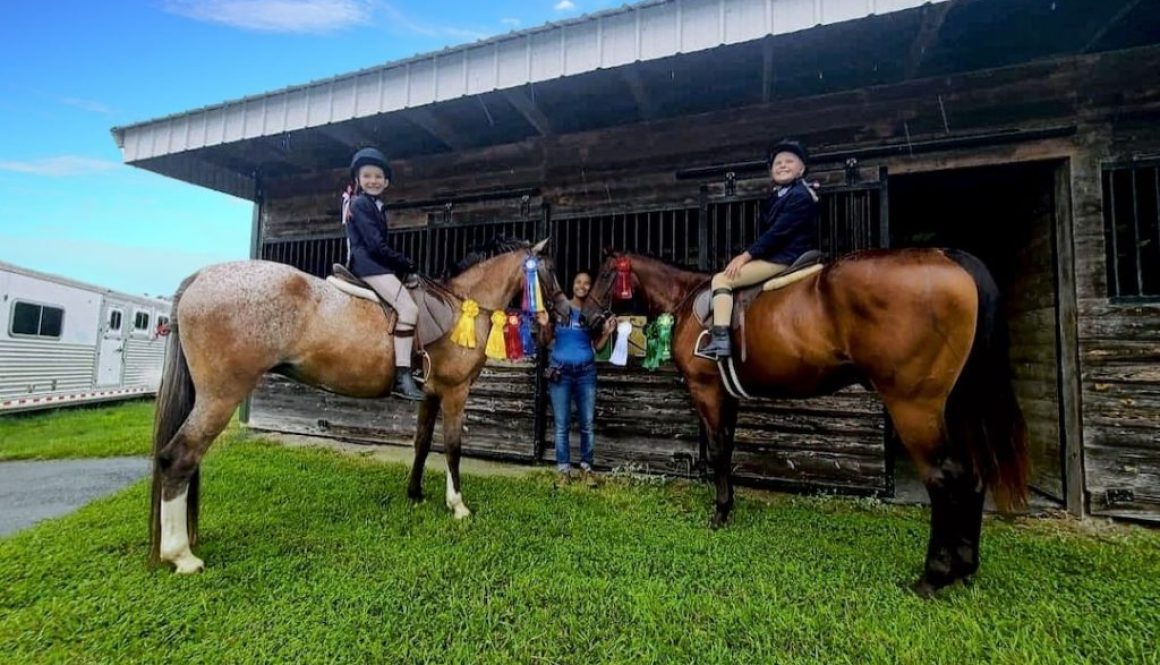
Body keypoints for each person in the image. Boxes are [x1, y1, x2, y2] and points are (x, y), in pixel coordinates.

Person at [700, 139, 820, 359]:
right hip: (779, 254)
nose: (782, 165)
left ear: (802, 169)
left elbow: (777, 233)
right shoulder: (779, 196)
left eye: (789, 161)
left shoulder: (800, 195)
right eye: (778, 163)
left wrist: (745, 256)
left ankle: (720, 340)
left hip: (784, 257)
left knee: (722, 280)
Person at [343, 147, 425, 400]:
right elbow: (376, 246)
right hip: (367, 265)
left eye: (378, 176)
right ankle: (402, 376)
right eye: (367, 176)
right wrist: (405, 264)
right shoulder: (360, 203)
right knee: (409, 310)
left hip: (372, 263)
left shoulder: (375, 206)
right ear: (358, 179)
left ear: (386, 182)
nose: (373, 181)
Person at [536, 272, 616, 486]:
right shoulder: (559, 310)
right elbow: (546, 341)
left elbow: (597, 347)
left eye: (587, 283)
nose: (582, 286)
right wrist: (545, 324)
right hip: (560, 373)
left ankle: (586, 469)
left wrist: (607, 333)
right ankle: (564, 471)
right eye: (578, 281)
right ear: (572, 285)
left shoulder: (593, 314)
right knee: (562, 424)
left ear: (591, 287)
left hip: (586, 374)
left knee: (587, 424)